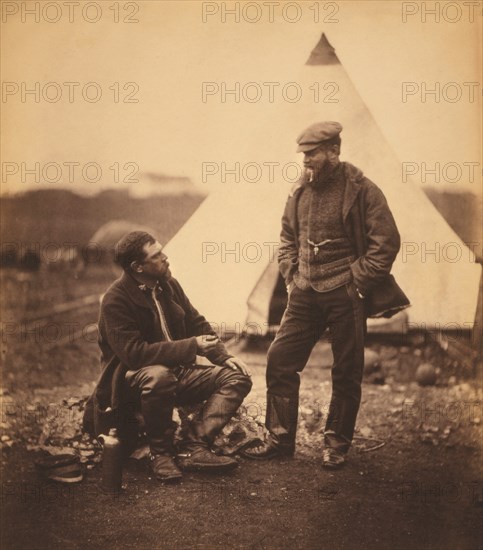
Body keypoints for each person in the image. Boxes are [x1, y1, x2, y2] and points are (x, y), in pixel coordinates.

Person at [244, 121, 409, 468]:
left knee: (347, 370)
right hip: (304, 291)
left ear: (334, 151)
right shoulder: (299, 191)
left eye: (313, 154)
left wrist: (356, 281)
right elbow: (287, 236)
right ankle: (279, 437)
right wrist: (291, 275)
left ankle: (336, 443)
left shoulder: (362, 190)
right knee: (279, 359)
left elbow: (386, 243)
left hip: (345, 293)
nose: (306, 161)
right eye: (303, 154)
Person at [83, 231, 252, 482]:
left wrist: (221, 354)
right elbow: (135, 354)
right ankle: (160, 454)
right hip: (130, 383)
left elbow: (196, 321)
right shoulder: (115, 300)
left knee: (236, 377)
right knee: (159, 375)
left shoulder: (167, 284)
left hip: (176, 372)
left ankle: (193, 446)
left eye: (162, 251)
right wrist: (191, 347)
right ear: (137, 266)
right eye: (157, 255)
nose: (166, 257)